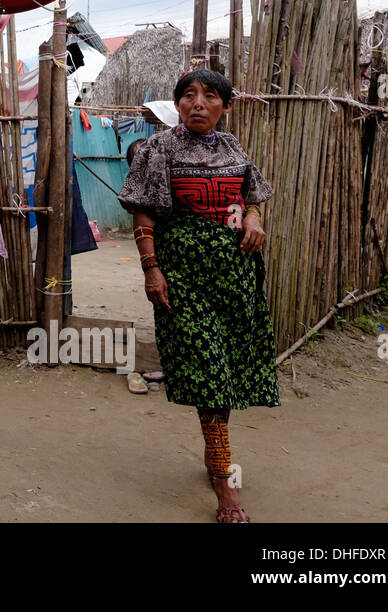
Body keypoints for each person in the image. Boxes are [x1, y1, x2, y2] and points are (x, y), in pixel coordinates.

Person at [117, 69, 278, 523]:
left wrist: (252, 218)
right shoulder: (158, 150)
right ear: (178, 104)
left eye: (210, 96)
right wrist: (152, 270)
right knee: (207, 366)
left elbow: (253, 196)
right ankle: (226, 483)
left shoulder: (232, 149)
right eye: (188, 95)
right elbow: (143, 214)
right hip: (183, 276)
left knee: (225, 368)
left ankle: (215, 451)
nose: (198, 103)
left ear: (225, 106)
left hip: (235, 275)